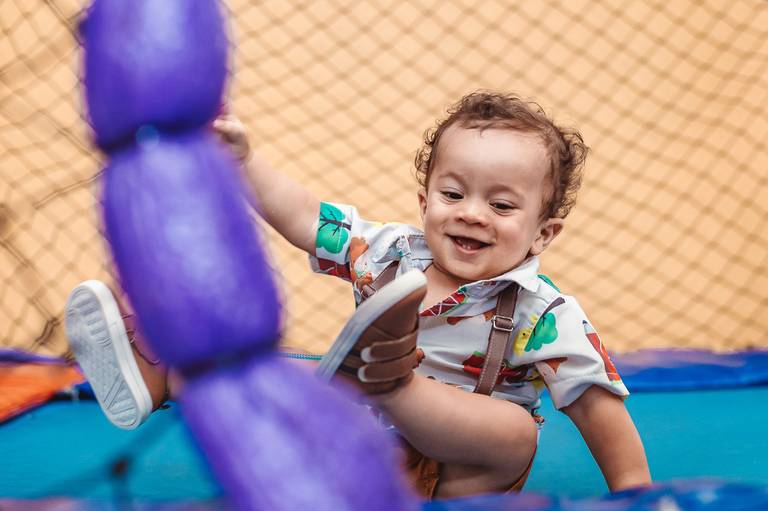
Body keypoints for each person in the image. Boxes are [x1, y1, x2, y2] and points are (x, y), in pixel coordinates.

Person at [66, 91, 650, 499]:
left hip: (462, 479)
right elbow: (306, 217)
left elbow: (596, 404)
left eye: (501, 205)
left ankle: (390, 380)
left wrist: (635, 493)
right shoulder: (390, 252)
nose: (472, 213)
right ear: (424, 202)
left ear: (543, 233)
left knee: (516, 431)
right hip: (361, 459)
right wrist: (242, 164)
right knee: (263, 369)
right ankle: (165, 374)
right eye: (453, 194)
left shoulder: (541, 310)